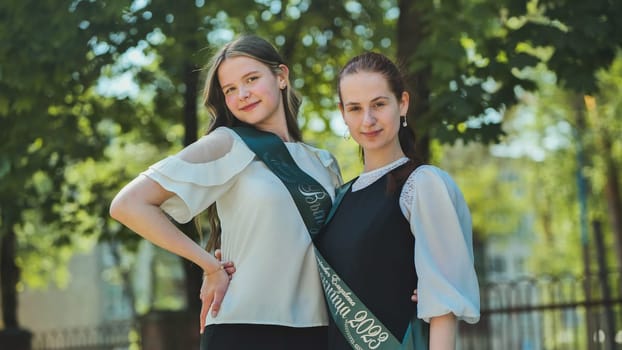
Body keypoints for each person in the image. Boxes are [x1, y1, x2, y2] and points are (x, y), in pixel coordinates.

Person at [109, 34, 343, 350]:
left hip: (317, 330)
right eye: (230, 89)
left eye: (251, 79)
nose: (242, 94)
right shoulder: (228, 144)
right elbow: (128, 204)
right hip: (245, 327)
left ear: (281, 77)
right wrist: (210, 266)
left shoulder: (323, 163)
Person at [314, 52, 480, 350]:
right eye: (355, 108)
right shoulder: (339, 198)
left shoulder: (422, 184)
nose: (368, 120)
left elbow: (444, 306)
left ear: (402, 103)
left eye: (378, 104)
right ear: (343, 113)